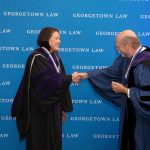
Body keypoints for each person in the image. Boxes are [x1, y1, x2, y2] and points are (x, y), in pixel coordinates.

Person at [11, 27, 80, 150]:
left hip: (54, 109)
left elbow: (60, 82)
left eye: (60, 38)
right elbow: (48, 82)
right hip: (39, 111)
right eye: (57, 38)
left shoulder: (56, 58)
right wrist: (70, 78)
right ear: (47, 39)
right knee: (40, 142)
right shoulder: (36, 58)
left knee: (54, 142)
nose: (60, 41)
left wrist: (62, 107)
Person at [80, 30, 150, 150]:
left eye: (118, 47)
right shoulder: (127, 59)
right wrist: (86, 75)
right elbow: (110, 73)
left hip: (143, 122)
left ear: (128, 46)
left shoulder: (146, 63)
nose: (118, 51)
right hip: (131, 114)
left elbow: (147, 96)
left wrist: (126, 91)